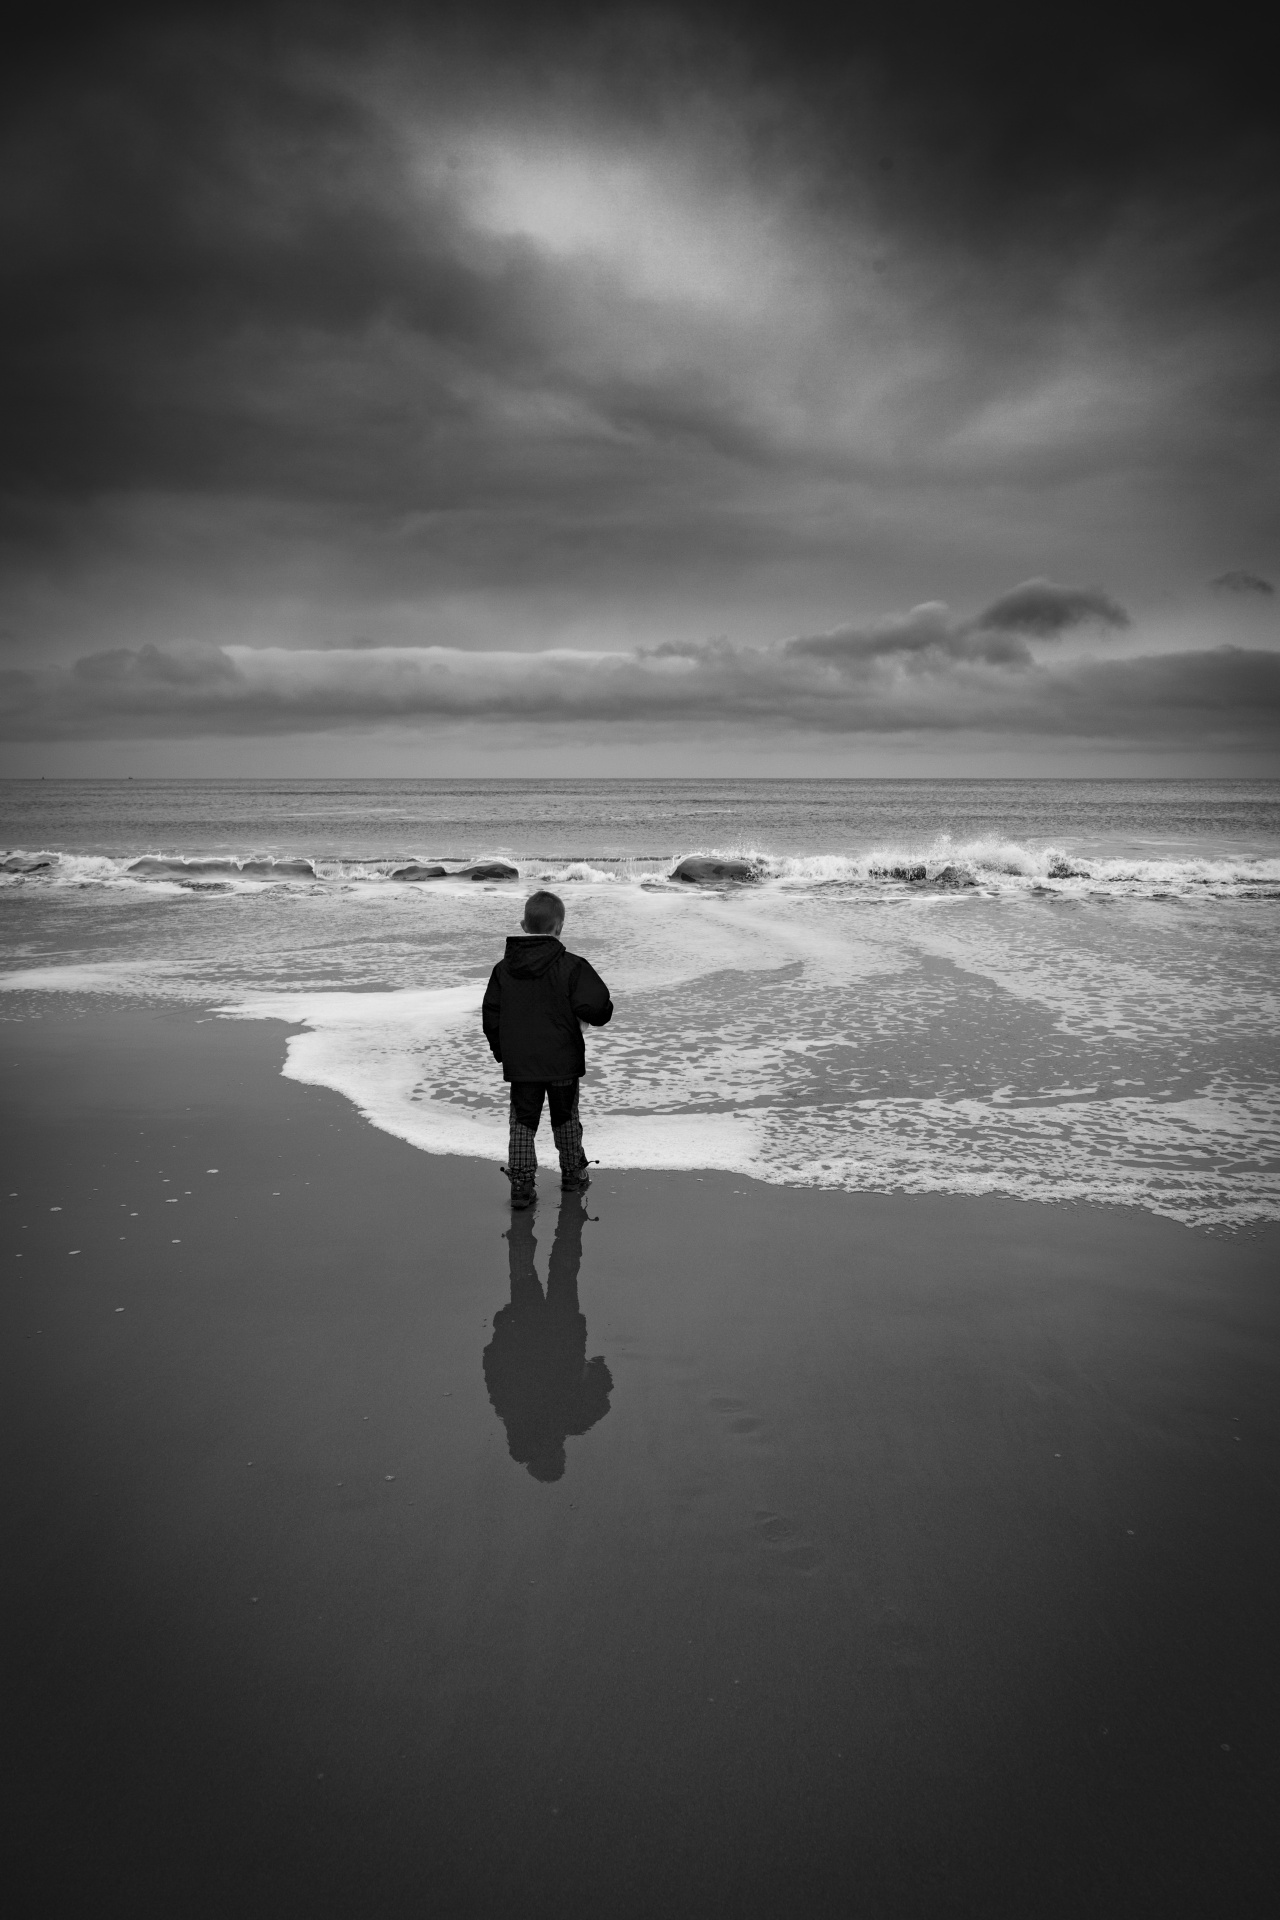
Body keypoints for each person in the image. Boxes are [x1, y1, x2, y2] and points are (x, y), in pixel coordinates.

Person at [481, 889, 613, 1208]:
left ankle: (522, 1185)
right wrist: (595, 1011)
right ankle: (572, 1174)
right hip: (562, 1061)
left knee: (523, 1122)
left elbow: (491, 1016)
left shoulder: (503, 969)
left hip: (522, 1064)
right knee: (565, 1118)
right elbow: (598, 1008)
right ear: (559, 928)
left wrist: (503, 1052)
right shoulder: (572, 966)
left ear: (523, 926)